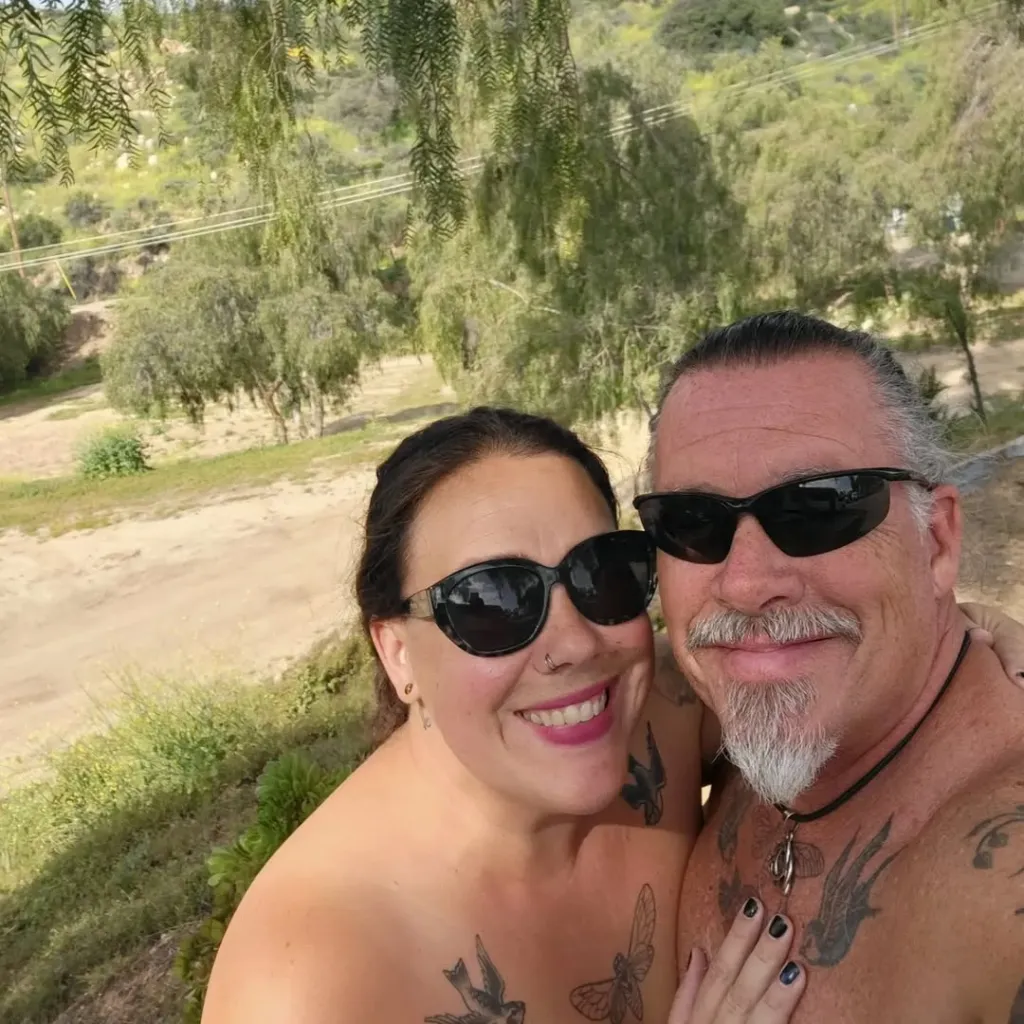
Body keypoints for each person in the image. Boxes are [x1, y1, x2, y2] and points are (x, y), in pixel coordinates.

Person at [201, 405, 1024, 1024]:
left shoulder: (655, 712)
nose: (574, 643)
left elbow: (806, 658)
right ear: (398, 653)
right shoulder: (309, 977)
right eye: (491, 602)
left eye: (603, 575)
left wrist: (974, 623)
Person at [636, 309, 1024, 1023]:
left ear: (935, 543)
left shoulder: (1001, 880)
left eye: (818, 509)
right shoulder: (706, 720)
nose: (747, 583)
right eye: (693, 522)